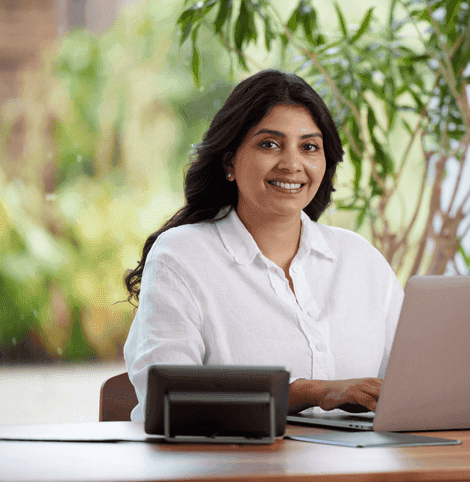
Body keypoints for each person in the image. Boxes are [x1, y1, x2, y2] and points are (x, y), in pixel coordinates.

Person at [122, 69, 403, 421]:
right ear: (230, 163)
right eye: (269, 144)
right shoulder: (182, 255)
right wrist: (312, 392)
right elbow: (168, 397)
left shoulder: (360, 258)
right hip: (233, 470)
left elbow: (419, 379)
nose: (292, 164)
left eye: (309, 147)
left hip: (355, 469)